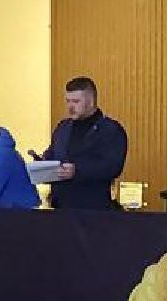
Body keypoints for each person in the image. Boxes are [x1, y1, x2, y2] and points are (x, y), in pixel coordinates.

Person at [45, 76, 128, 212]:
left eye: (76, 101)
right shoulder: (63, 127)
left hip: (92, 210)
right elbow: (53, 153)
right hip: (60, 208)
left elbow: (112, 166)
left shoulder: (110, 130)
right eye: (68, 101)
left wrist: (77, 171)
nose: (70, 106)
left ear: (90, 102)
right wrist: (42, 164)